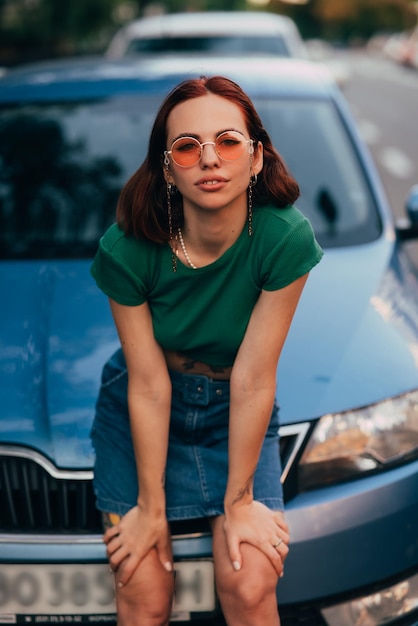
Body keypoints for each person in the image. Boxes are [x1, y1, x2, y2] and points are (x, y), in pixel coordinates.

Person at [90, 74, 323, 626]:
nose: (210, 159)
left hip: (232, 407)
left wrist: (239, 502)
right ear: (168, 168)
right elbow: (147, 384)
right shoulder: (126, 249)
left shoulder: (284, 239)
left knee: (250, 576)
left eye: (228, 141)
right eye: (188, 147)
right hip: (142, 410)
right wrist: (150, 507)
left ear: (256, 157)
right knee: (142, 584)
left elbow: (252, 378)